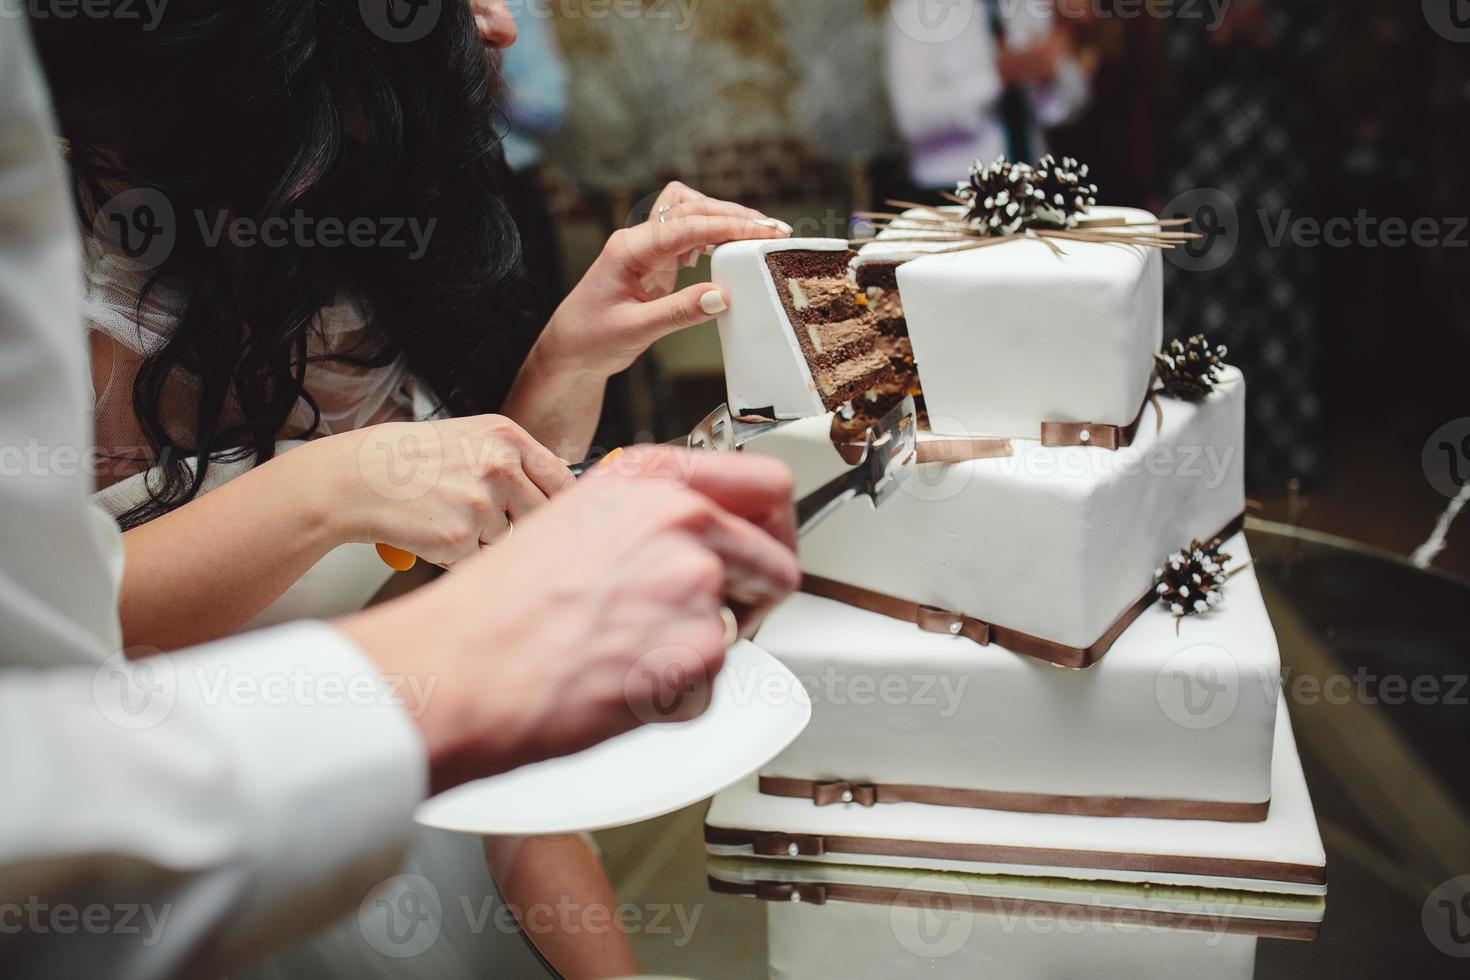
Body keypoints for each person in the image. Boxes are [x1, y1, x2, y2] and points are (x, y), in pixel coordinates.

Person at [0, 15, 800, 980]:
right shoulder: (45, 274)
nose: (502, 22)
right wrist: (326, 488)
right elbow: (42, 672)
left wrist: (561, 365)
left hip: (449, 819)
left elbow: (425, 583)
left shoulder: (341, 225)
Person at [884, 0, 1090, 192]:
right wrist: (995, 78)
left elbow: (1070, 105)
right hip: (954, 189)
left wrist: (1050, 78)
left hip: (1033, 183)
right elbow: (910, 118)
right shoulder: (916, 9)